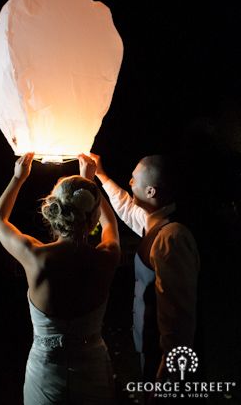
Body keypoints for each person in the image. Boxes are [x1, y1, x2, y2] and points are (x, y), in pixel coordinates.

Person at [0, 152, 121, 405]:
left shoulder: (36, 257)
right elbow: (110, 226)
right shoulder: (107, 257)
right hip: (92, 369)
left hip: (46, 372)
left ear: (54, 211)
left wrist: (18, 179)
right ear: (92, 217)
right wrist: (90, 183)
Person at [90, 153, 200, 384]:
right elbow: (126, 208)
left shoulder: (172, 237)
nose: (129, 183)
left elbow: (178, 312)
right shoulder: (153, 222)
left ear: (151, 191)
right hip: (150, 348)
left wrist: (168, 370)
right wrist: (99, 174)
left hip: (164, 359)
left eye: (134, 179)